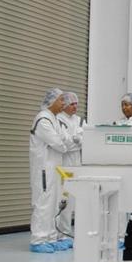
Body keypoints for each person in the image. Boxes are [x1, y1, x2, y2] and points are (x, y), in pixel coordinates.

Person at [29, 88, 78, 253]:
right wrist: (68, 143)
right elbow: (59, 144)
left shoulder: (55, 120)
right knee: (43, 204)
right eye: (61, 100)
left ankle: (50, 237)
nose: (63, 103)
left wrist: (70, 142)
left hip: (54, 169)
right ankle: (38, 239)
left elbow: (67, 141)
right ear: (52, 101)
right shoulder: (43, 120)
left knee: (54, 204)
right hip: (44, 169)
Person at [57, 92, 85, 238]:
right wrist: (76, 140)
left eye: (76, 104)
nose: (75, 106)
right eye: (72, 104)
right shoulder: (58, 120)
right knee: (65, 197)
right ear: (65, 105)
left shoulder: (80, 120)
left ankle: (76, 232)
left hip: (77, 162)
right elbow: (65, 144)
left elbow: (85, 140)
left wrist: (77, 140)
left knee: (78, 198)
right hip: (65, 162)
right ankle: (63, 233)